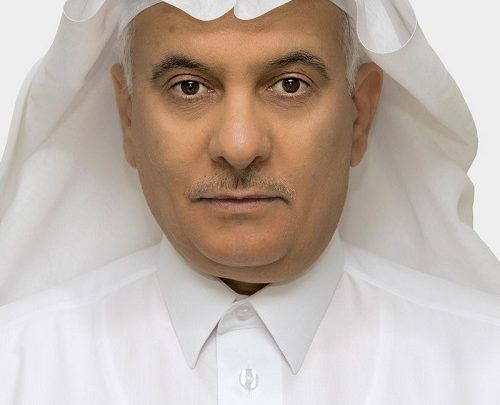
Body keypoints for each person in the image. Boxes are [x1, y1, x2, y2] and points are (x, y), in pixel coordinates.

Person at [0, 0, 499, 403]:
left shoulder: (484, 366)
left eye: (290, 85)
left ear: (359, 114)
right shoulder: (17, 369)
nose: (239, 146)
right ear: (128, 117)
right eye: (189, 87)